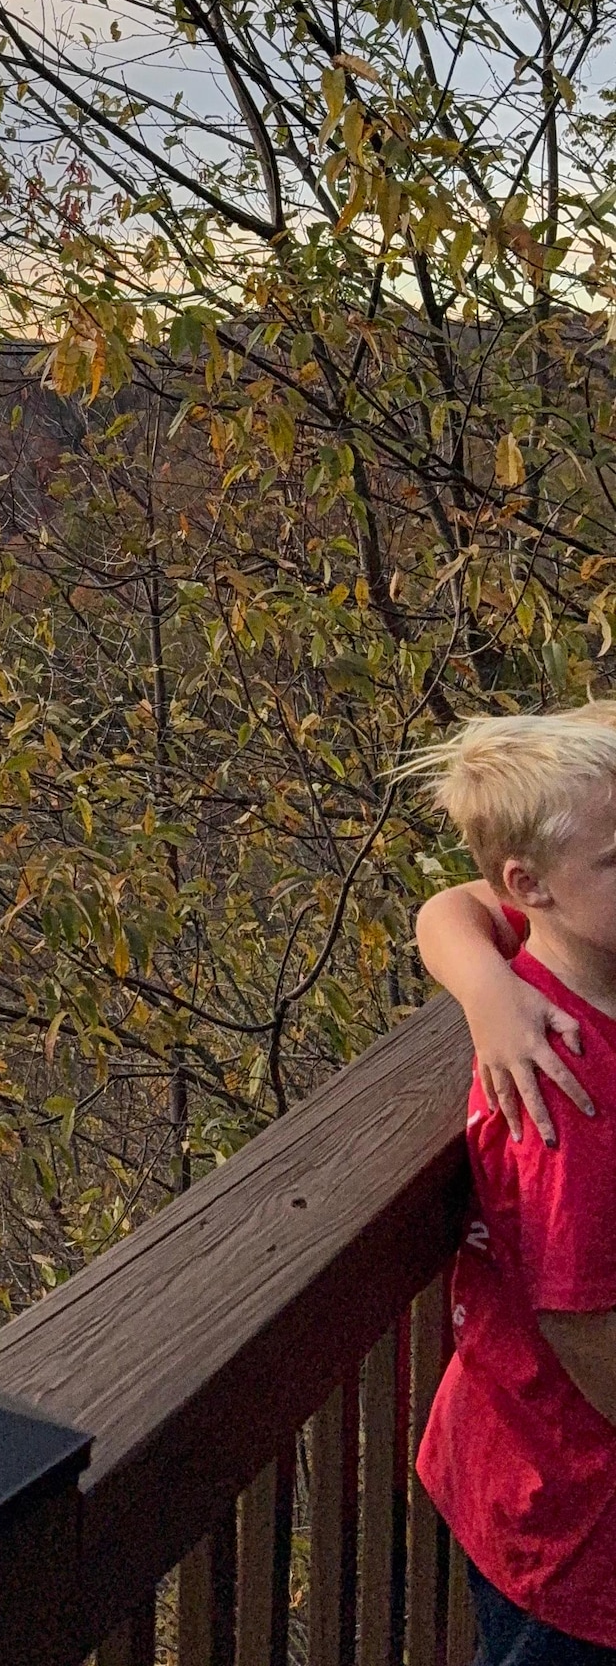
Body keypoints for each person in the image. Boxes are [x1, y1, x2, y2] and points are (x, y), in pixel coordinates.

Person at [409, 707, 616, 1663]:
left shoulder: (574, 956)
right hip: (581, 1529)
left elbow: (461, 905)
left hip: (525, 1462)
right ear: (533, 887)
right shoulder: (570, 1082)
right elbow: (583, 1323)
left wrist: (484, 984)